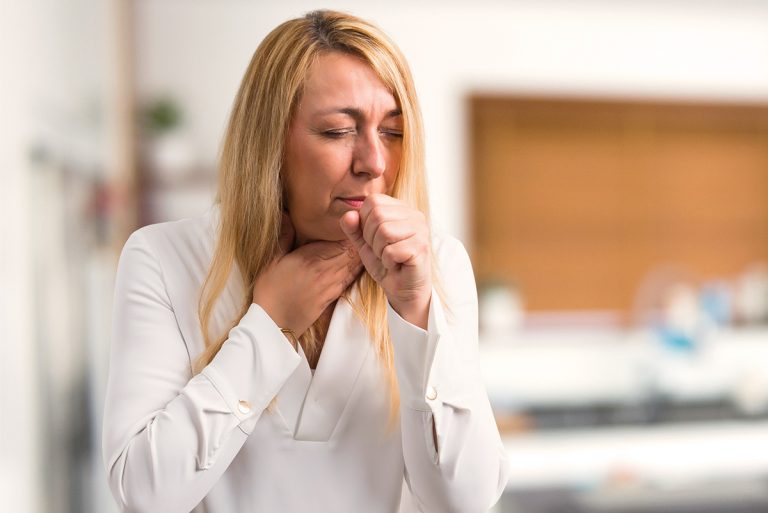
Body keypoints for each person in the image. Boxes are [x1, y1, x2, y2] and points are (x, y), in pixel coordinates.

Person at [102, 9, 509, 513]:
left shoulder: (437, 265)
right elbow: (144, 494)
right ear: (269, 141)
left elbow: (465, 502)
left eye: (392, 132)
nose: (374, 162)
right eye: (339, 131)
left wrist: (417, 313)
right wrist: (269, 326)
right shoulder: (162, 260)